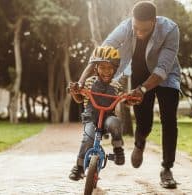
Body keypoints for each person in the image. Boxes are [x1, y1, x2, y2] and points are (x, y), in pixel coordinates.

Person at [76, 1, 181, 189]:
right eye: (136, 28)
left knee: (169, 120)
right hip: (140, 73)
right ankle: (140, 142)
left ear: (154, 22)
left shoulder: (170, 29)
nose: (138, 33)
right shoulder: (126, 27)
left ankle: (167, 169)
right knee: (144, 121)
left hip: (166, 77)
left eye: (144, 30)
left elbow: (163, 68)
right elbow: (103, 51)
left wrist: (142, 90)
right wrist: (82, 80)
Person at [68, 46, 130, 181]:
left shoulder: (116, 85)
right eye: (102, 67)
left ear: (115, 69)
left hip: (107, 117)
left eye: (109, 68)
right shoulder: (89, 82)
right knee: (88, 138)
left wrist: (129, 99)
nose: (106, 71)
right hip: (91, 117)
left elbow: (124, 98)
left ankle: (118, 149)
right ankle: (78, 167)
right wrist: (75, 92)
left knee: (115, 123)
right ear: (95, 68)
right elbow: (79, 98)